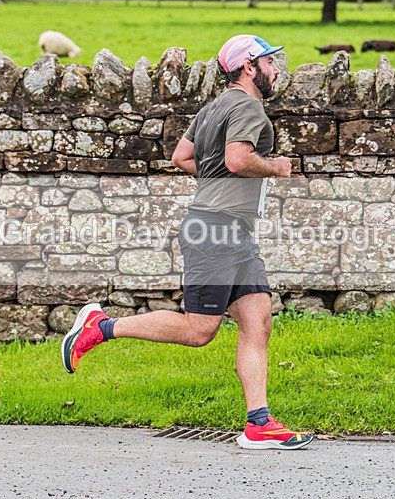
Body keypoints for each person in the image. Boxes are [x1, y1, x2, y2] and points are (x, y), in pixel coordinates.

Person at [61, 34, 314, 450]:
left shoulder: (213, 108)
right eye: (269, 62)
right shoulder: (248, 107)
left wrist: (217, 182)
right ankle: (100, 328)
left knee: (258, 319)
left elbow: (181, 157)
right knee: (199, 330)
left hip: (233, 230)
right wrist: (276, 167)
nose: (276, 69)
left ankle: (259, 423)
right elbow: (237, 159)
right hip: (216, 230)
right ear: (248, 67)